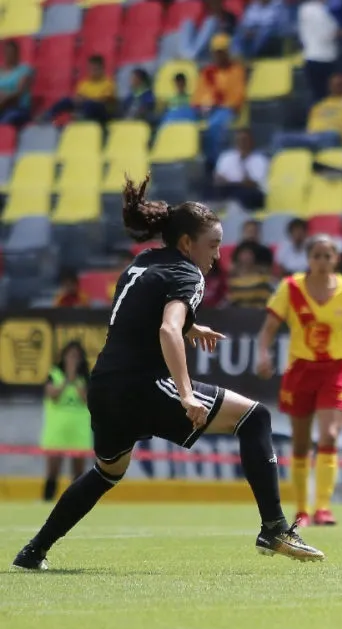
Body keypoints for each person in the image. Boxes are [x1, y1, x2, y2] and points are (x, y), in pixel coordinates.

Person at [13, 174, 324, 571]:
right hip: (143, 384)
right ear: (186, 244)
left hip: (105, 386)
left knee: (107, 472)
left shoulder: (142, 262)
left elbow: (141, 315)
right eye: (213, 246)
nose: (217, 256)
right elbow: (166, 328)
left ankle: (34, 550)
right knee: (254, 417)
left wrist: (193, 328)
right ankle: (275, 528)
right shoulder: (189, 274)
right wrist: (186, 392)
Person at [256, 236, 342, 528]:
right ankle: (302, 509)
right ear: (308, 258)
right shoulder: (290, 288)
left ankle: (323, 507)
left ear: (336, 259)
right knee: (300, 444)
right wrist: (263, 354)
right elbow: (269, 328)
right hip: (300, 370)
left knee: (329, 436)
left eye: (328, 255)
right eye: (317, 255)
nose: (322, 261)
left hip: (335, 370)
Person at [40, 342, 92, 502]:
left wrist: (75, 379)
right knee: (53, 469)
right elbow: (52, 395)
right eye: (70, 355)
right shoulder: (54, 374)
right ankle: (47, 500)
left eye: (76, 356)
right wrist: (67, 379)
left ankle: (76, 503)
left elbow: (87, 399)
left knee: (78, 471)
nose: (73, 360)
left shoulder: (85, 377)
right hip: (57, 429)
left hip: (79, 429)